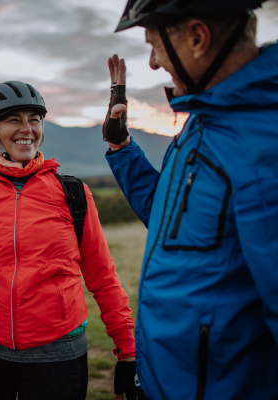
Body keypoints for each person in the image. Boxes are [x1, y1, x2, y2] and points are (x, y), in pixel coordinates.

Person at [0, 81, 140, 400]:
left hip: (57, 353)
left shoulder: (72, 194)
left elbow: (103, 278)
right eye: (14, 119)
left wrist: (127, 350)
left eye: (34, 119)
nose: (27, 129)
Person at [102, 1, 278, 399]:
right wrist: (121, 147)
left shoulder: (263, 145)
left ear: (197, 38)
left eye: (155, 45)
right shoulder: (205, 120)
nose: (151, 62)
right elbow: (172, 223)